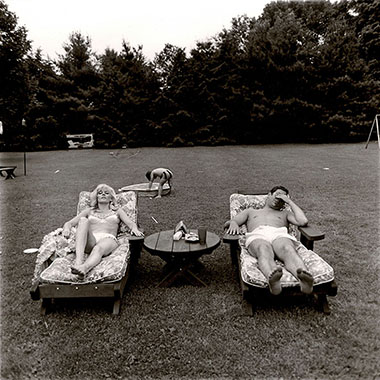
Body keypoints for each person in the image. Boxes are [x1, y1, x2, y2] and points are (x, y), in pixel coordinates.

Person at [226, 185, 313, 295]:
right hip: (258, 235)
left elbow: (303, 221)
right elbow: (232, 221)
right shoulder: (251, 211)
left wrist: (289, 202)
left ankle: (304, 280)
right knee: (263, 249)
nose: (278, 200)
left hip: (279, 234)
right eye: (277, 195)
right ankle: (273, 279)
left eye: (282, 198)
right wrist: (233, 223)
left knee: (288, 249)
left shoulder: (285, 213)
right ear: (269, 194)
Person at [62, 184, 143, 277]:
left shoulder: (117, 211)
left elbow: (131, 223)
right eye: (100, 193)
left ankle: (84, 268)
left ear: (111, 198)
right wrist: (67, 229)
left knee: (98, 248)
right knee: (83, 220)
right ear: (96, 197)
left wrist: (135, 228)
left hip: (108, 239)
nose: (103, 194)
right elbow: (69, 223)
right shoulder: (89, 211)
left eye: (106, 193)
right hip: (91, 239)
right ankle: (78, 262)